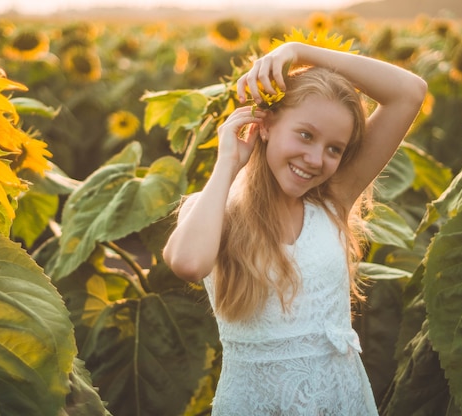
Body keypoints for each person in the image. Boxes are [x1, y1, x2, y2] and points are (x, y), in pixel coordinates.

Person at [163, 41, 427, 415]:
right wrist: (227, 163)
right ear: (265, 125)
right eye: (305, 135)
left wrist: (300, 51)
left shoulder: (331, 199)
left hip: (341, 399)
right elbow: (188, 263)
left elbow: (409, 92)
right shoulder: (215, 208)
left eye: (334, 149)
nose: (316, 159)